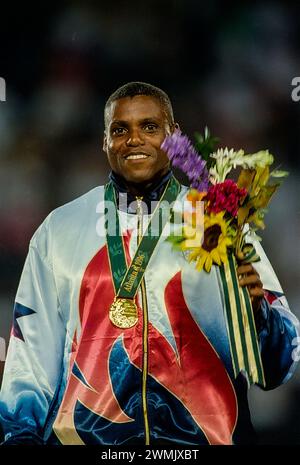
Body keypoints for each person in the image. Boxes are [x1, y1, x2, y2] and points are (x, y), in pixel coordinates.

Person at [0, 81, 298, 445]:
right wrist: (20, 438)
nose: (134, 139)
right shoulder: (59, 230)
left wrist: (258, 314)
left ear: (174, 137)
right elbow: (31, 354)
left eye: (150, 127)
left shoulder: (218, 222)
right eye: (120, 129)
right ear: (104, 142)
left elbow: (277, 367)